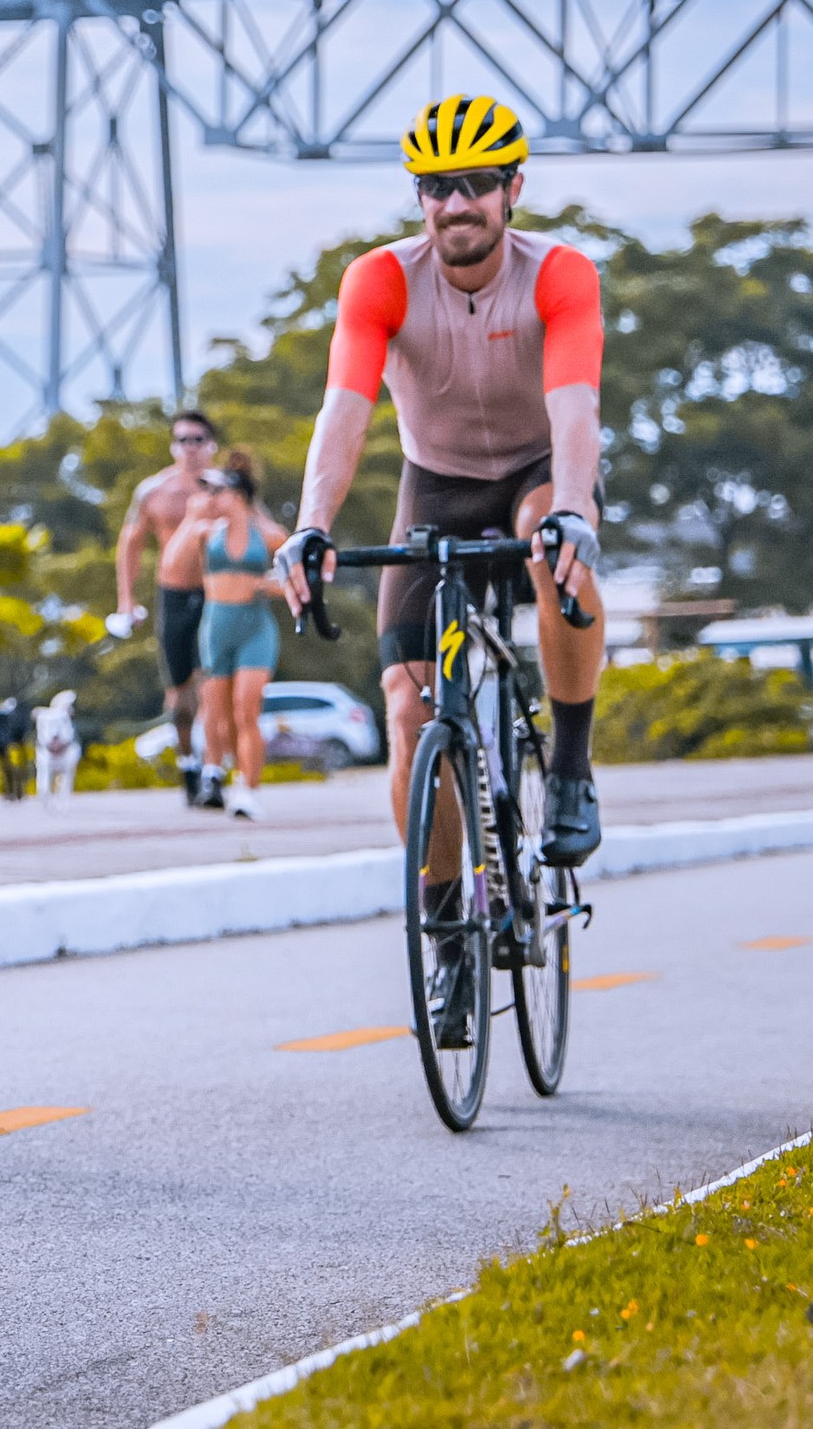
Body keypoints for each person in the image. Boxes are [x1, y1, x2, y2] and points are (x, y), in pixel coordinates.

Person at [272, 93, 607, 1050]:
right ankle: (448, 925)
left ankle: (573, 769)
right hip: (438, 482)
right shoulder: (380, 280)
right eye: (436, 190)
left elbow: (577, 403)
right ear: (419, 200)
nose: (455, 207)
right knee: (409, 708)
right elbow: (345, 411)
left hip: (541, 473)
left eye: (473, 188)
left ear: (511, 190)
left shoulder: (560, 273)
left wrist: (574, 510)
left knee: (557, 549)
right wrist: (311, 526)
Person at [162, 448, 286, 818]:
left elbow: (299, 582)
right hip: (216, 626)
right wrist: (191, 518)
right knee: (216, 712)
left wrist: (265, 585)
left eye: (218, 492)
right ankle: (215, 772)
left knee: (247, 708)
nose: (210, 499)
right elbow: (170, 564)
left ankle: (248, 790)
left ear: (236, 495)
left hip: (255, 627)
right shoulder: (204, 531)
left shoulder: (269, 534)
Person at [113, 408, 225, 804]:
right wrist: (126, 601)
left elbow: (259, 529)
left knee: (214, 686)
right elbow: (130, 544)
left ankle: (215, 773)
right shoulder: (153, 492)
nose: (191, 448)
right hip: (174, 595)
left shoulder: (228, 489)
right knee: (180, 696)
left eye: (198, 440)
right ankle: (189, 765)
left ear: (211, 446)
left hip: (219, 594)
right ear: (173, 446)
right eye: (183, 440)